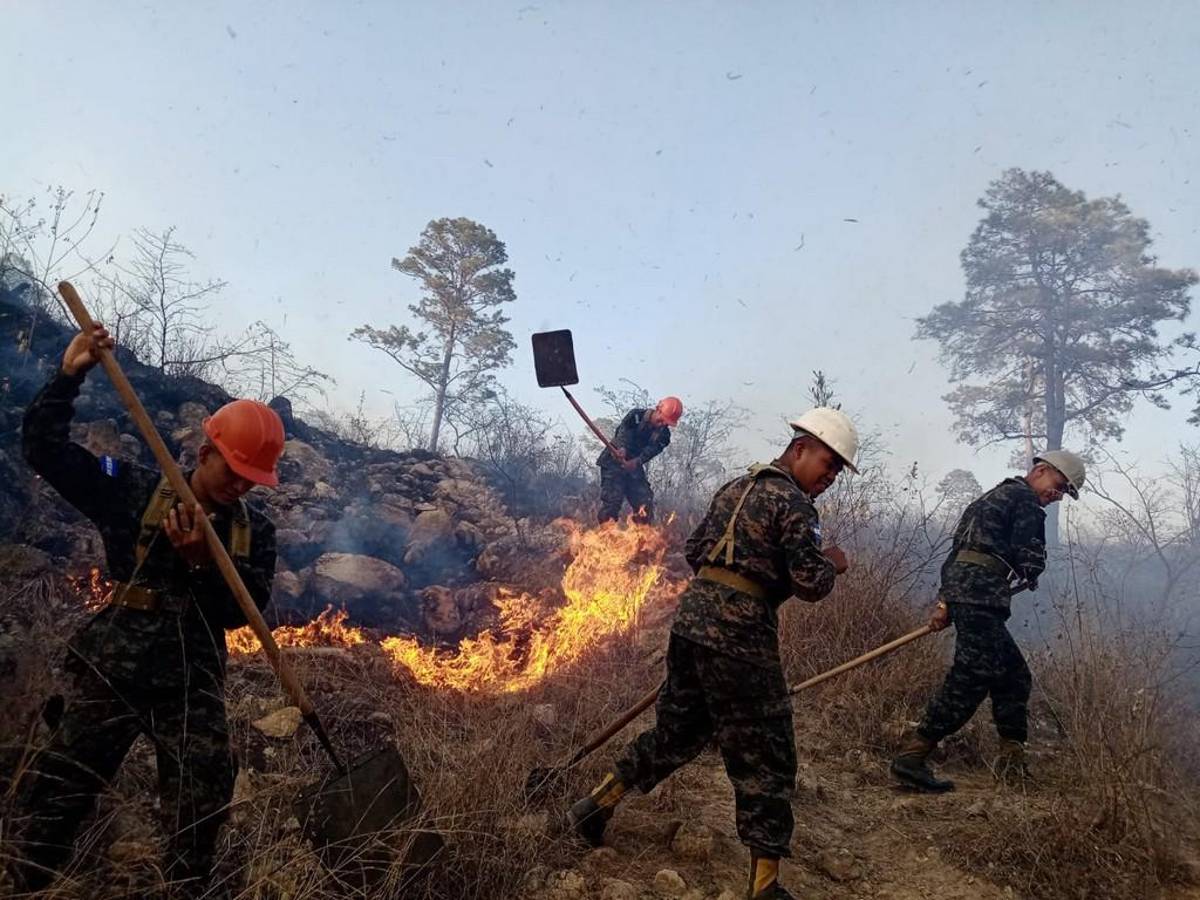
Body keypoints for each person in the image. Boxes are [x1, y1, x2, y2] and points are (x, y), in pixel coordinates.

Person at [11, 322, 283, 896]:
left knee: (201, 805)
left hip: (193, 681)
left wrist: (201, 564)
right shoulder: (132, 488)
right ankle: (29, 884)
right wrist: (67, 376)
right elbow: (45, 450)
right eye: (232, 472)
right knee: (56, 793)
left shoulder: (255, 531)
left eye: (251, 480)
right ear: (206, 450)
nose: (240, 487)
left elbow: (246, 613)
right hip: (113, 668)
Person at [568, 408, 859, 900]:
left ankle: (594, 807)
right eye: (828, 464)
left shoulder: (736, 488)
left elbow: (697, 549)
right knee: (768, 753)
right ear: (800, 447)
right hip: (739, 637)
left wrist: (748, 568)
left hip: (691, 624)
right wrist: (830, 563)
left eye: (836, 471)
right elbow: (810, 584)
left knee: (676, 733)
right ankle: (765, 885)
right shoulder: (794, 505)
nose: (829, 477)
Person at [890, 450, 1086, 793]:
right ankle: (913, 755)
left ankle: (1012, 765)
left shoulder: (989, 498)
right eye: (1058, 486)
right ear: (1040, 471)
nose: (1055, 497)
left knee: (1013, 675)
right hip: (982, 596)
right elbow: (1031, 557)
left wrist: (945, 601)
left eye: (1063, 494)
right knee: (972, 675)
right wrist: (1032, 568)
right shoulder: (1025, 501)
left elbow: (955, 554)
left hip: (967, 593)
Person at [597, 396, 683, 524]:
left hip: (633, 466)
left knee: (645, 501)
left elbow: (650, 452)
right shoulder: (636, 415)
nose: (663, 424)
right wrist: (622, 448)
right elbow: (623, 432)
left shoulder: (664, 436)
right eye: (662, 419)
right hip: (613, 461)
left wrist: (636, 462)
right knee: (612, 503)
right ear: (657, 410)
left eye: (667, 422)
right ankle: (605, 536)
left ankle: (642, 538)